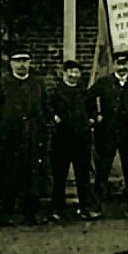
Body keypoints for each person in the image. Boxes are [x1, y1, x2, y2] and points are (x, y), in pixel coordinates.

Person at [0, 48, 49, 225]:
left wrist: (41, 128)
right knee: (8, 174)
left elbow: (44, 108)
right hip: (10, 137)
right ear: (11, 63)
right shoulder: (2, 84)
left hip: (32, 136)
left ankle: (31, 213)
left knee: (32, 175)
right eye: (18, 60)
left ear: (30, 63)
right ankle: (6, 213)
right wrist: (4, 124)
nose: (22, 64)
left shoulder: (37, 84)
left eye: (25, 60)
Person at [89, 51, 128, 219]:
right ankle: (96, 207)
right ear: (113, 65)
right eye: (119, 64)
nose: (122, 68)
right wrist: (96, 116)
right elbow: (89, 98)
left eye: (125, 64)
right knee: (103, 170)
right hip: (108, 133)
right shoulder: (104, 83)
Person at [47, 60, 100, 222]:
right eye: (70, 72)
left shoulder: (84, 92)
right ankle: (57, 209)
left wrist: (90, 120)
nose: (73, 75)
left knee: (83, 176)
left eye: (76, 72)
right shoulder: (55, 92)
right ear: (64, 73)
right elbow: (48, 109)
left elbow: (93, 110)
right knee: (59, 176)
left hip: (81, 140)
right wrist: (55, 118)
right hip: (61, 139)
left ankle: (85, 208)